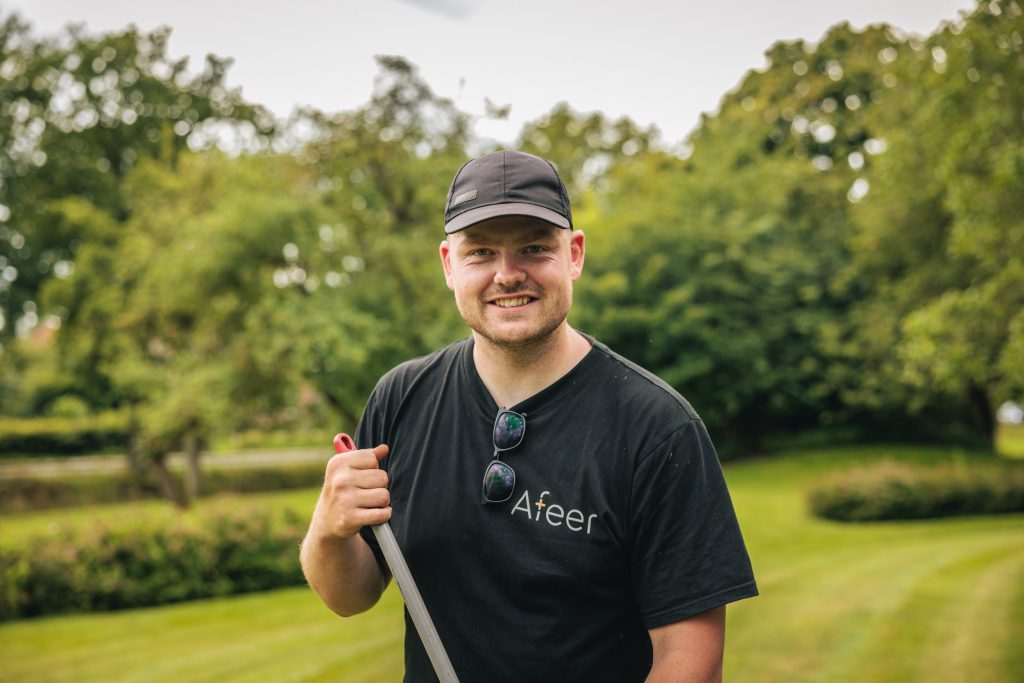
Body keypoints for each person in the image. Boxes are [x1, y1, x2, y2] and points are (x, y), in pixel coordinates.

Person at [300, 150, 758, 682]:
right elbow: (350, 597)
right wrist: (329, 530)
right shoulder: (400, 398)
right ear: (450, 265)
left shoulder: (657, 429)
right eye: (482, 253)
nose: (507, 274)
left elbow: (689, 656)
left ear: (575, 255)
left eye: (534, 248)